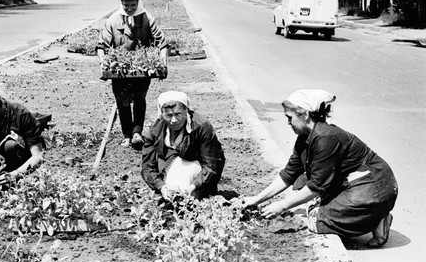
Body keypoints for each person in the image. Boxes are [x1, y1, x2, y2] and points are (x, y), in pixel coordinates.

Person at [243, 89, 398, 248]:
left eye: (290, 118)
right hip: (356, 183)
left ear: (304, 114)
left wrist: (282, 205)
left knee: (317, 221)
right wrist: (256, 200)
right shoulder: (305, 137)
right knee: (301, 186)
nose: (288, 123)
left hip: (373, 186)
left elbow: (317, 186)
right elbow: (289, 174)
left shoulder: (325, 137)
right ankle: (370, 214)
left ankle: (377, 218)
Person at [97, 0, 168, 149]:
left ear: (138, 3)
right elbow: (102, 45)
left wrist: (162, 61)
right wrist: (103, 62)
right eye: (126, 6)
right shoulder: (113, 20)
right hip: (120, 69)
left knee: (139, 99)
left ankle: (137, 132)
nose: (129, 9)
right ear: (121, 3)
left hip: (142, 68)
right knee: (122, 102)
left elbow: (161, 42)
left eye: (133, 6)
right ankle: (127, 135)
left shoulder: (147, 18)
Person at [141, 91, 225, 200]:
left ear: (186, 110)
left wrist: (192, 187)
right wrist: (161, 186)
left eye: (178, 114)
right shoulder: (155, 130)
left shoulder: (201, 126)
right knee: (171, 191)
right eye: (169, 115)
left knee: (181, 190)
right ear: (161, 114)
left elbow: (211, 165)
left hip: (196, 166)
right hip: (168, 165)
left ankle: (196, 192)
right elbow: (147, 166)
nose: (174, 120)